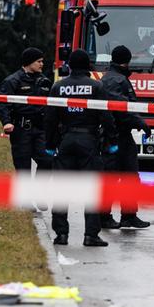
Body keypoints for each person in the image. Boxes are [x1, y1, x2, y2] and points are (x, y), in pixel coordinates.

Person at [45, 50, 118, 247]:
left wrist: (50, 145)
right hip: (88, 141)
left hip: (66, 140)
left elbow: (50, 119)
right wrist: (112, 141)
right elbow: (106, 117)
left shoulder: (58, 87)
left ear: (69, 65)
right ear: (88, 66)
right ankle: (90, 235)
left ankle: (61, 234)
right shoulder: (96, 86)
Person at [99, 45, 152, 230]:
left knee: (125, 176)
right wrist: (141, 123)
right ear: (127, 60)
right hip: (115, 135)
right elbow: (121, 109)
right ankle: (107, 217)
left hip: (117, 134)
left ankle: (127, 216)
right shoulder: (117, 80)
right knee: (117, 177)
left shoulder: (110, 77)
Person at [0, 48, 54, 172]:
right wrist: (6, 121)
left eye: (42, 61)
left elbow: (51, 104)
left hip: (40, 130)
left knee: (48, 161)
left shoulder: (44, 81)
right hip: (21, 131)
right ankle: (26, 191)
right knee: (23, 169)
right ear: (29, 62)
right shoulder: (12, 81)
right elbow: (3, 103)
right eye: (39, 61)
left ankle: (39, 191)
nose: (42, 64)